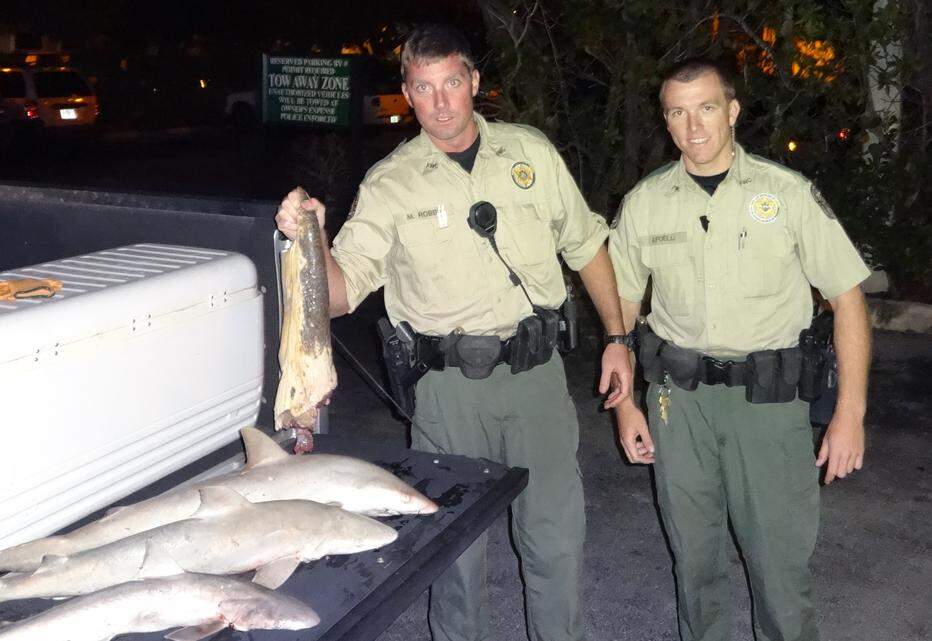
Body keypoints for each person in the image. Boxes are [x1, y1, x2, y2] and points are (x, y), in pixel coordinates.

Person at [276, 23, 633, 641]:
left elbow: (586, 246)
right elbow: (336, 296)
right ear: (408, 94)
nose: (441, 103)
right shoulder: (389, 182)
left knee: (554, 541)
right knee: (452, 557)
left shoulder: (530, 154)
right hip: (446, 393)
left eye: (451, 83)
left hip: (536, 378)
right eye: (424, 88)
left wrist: (618, 340)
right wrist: (311, 237)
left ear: (474, 81)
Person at [608, 58, 871, 641]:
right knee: (694, 563)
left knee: (780, 568)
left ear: (731, 111)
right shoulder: (646, 202)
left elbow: (848, 300)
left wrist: (849, 414)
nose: (693, 125)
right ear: (666, 121)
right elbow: (620, 308)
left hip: (768, 406)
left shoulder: (787, 194)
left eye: (705, 108)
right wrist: (626, 406)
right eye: (677, 112)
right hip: (678, 403)